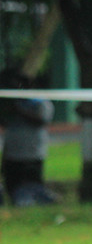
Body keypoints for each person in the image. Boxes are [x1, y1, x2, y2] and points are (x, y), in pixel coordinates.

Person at [0, 69, 58, 207]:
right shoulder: (9, 102)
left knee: (32, 183)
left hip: (32, 151)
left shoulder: (40, 102)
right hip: (13, 151)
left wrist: (18, 110)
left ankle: (37, 202)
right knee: (12, 182)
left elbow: (41, 120)